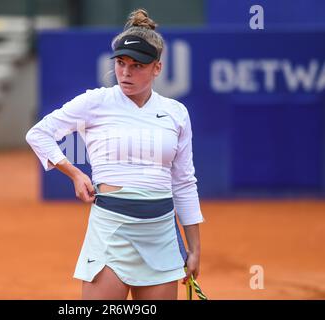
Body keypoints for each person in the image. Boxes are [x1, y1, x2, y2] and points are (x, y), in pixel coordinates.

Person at [26, 8, 204, 300]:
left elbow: (184, 182)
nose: (125, 72)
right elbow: (38, 133)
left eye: (137, 65)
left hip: (160, 235)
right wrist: (74, 173)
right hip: (110, 233)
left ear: (157, 68)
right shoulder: (96, 101)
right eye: (121, 63)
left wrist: (195, 248)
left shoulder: (176, 113)